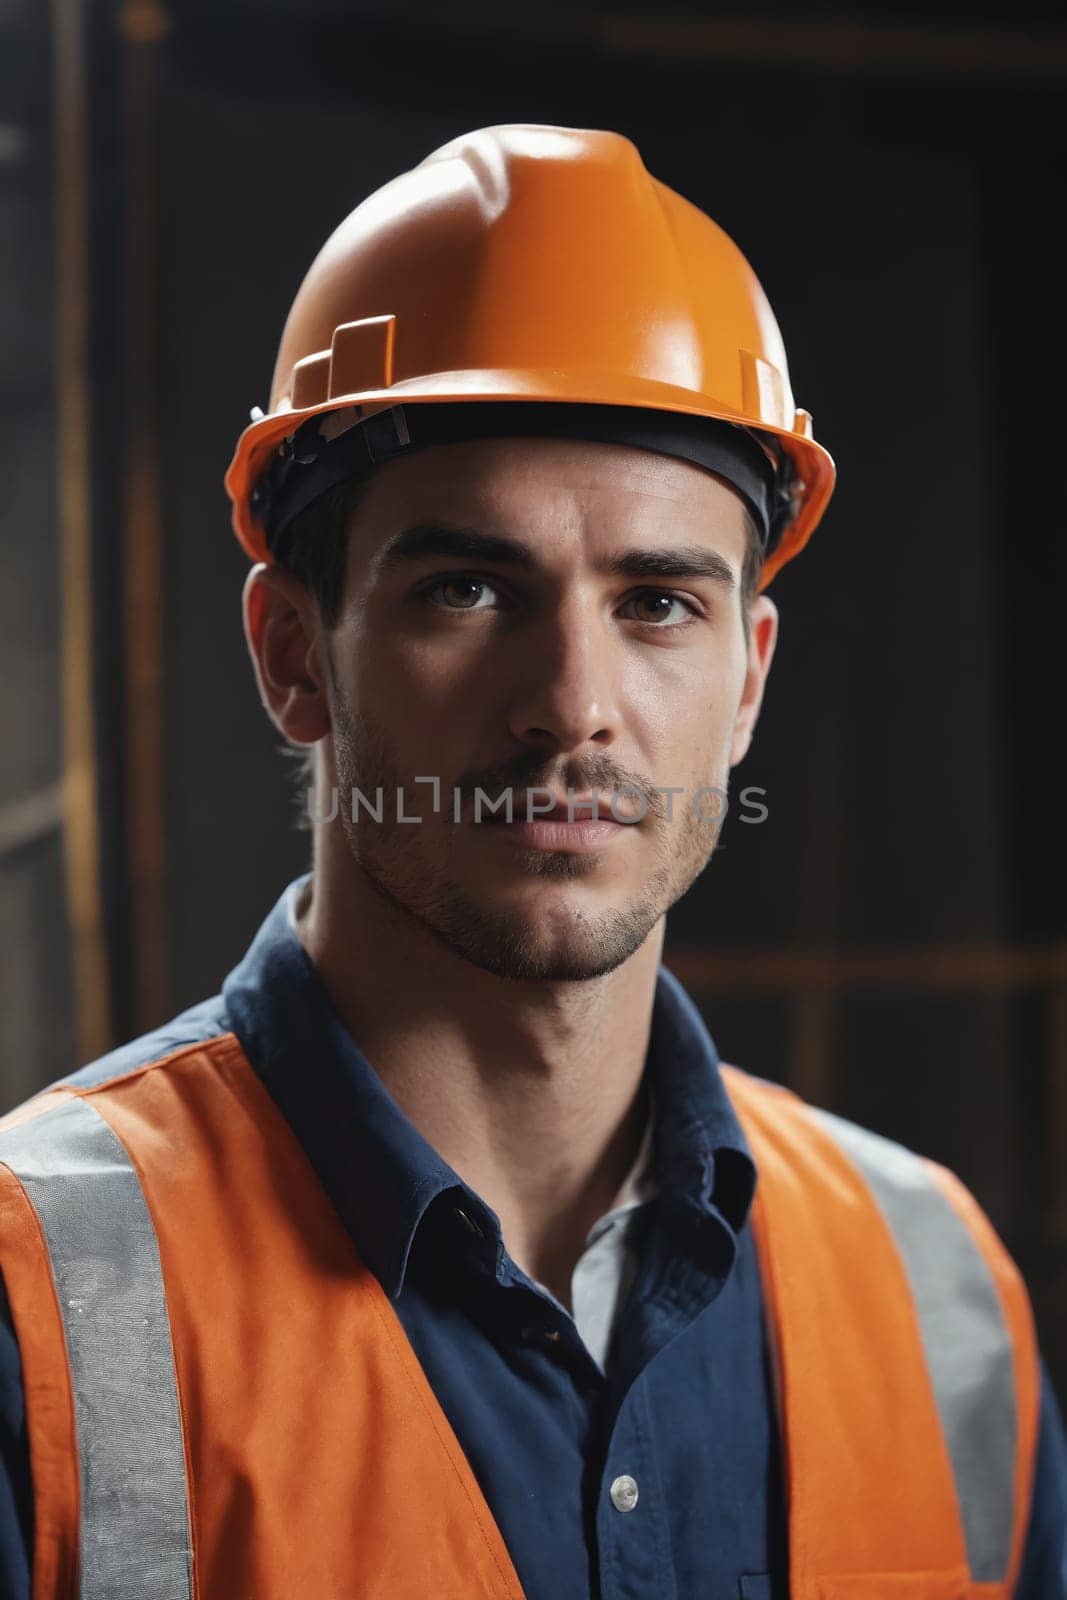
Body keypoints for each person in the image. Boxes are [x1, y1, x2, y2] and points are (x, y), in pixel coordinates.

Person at [0, 123, 1063, 1599]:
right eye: (469, 587)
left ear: (747, 681)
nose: (572, 701)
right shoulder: (34, 1302)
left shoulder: (940, 1301)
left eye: (657, 604)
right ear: (294, 655)